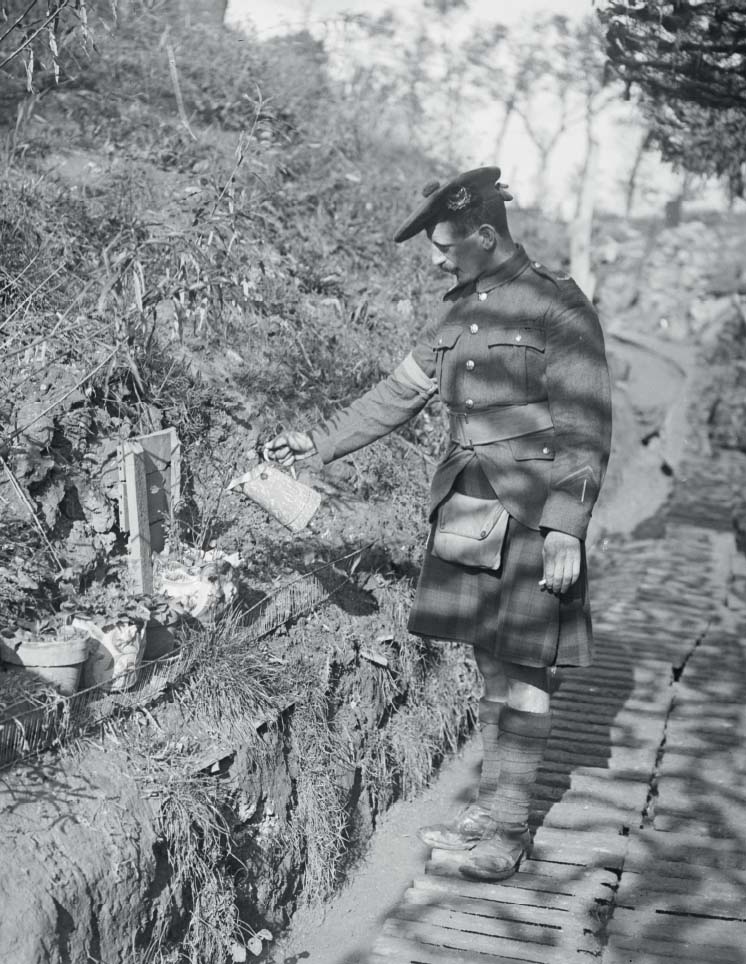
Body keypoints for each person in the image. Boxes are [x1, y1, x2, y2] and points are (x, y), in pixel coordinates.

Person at [263, 166, 612, 882]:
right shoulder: (454, 313)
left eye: (444, 246)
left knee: (524, 672)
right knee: (487, 665)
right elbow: (398, 394)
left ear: (483, 235)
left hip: (533, 516)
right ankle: (491, 806)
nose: (435, 259)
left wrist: (566, 527)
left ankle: (508, 833)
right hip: (467, 508)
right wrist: (318, 443)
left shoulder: (558, 307)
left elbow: (585, 424)